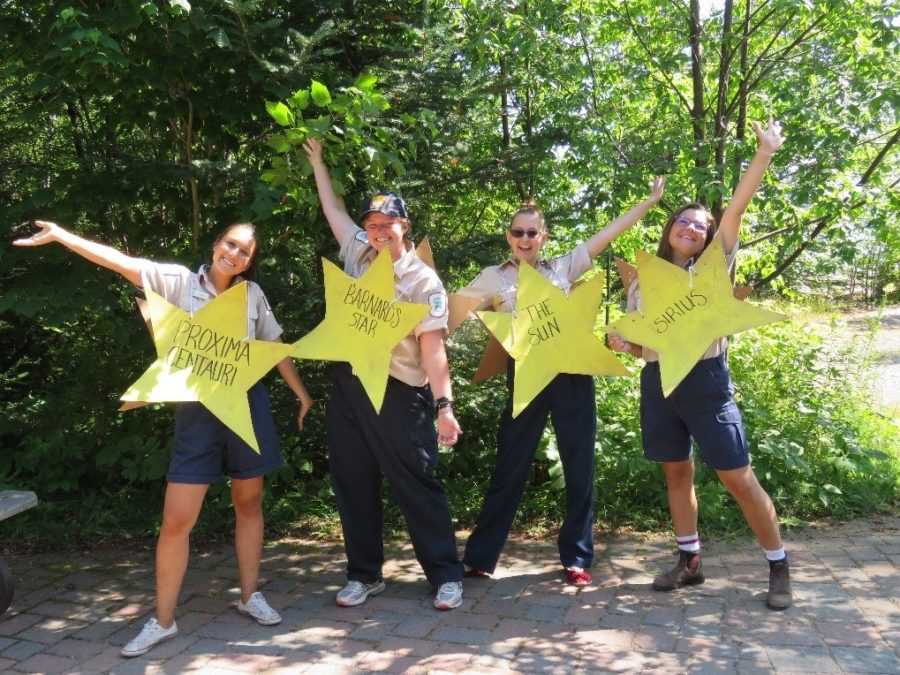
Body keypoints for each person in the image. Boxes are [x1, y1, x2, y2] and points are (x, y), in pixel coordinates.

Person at [13, 220, 314, 654]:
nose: (235, 254)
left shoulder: (252, 296)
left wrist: (301, 393)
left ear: (251, 261)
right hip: (196, 414)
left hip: (246, 406)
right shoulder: (177, 281)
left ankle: (251, 597)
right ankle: (164, 620)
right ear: (216, 244)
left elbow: (276, 344)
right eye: (231, 244)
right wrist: (63, 236)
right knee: (176, 521)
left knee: (248, 504)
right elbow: (120, 262)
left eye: (245, 251)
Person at [608, 118, 791, 610]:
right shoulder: (641, 280)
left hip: (707, 382)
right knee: (676, 473)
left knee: (737, 477)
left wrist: (764, 153)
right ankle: (689, 561)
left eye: (700, 225)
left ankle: (778, 563)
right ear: (669, 230)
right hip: (659, 381)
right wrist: (620, 345)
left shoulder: (714, 266)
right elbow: (638, 342)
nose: (691, 227)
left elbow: (736, 209)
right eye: (683, 221)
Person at [457, 177, 665, 586]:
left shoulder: (563, 267)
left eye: (532, 232)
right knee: (509, 466)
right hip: (525, 376)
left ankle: (577, 558)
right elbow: (448, 310)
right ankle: (481, 557)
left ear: (543, 236)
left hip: (572, 373)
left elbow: (606, 235)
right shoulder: (492, 278)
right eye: (517, 232)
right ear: (509, 237)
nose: (525, 238)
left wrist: (649, 201)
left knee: (579, 466)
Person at [303, 138, 465, 610]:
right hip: (351, 386)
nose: (378, 232)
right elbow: (332, 209)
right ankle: (365, 574)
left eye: (387, 224)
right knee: (352, 481)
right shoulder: (357, 254)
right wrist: (318, 163)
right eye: (372, 224)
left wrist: (444, 408)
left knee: (417, 483)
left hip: (399, 393)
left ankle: (445, 575)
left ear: (404, 226)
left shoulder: (423, 281)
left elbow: (433, 350)